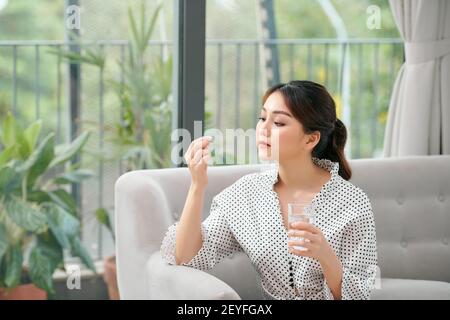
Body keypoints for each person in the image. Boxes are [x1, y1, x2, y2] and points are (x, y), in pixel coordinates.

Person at [160, 80, 378, 300]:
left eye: (279, 123)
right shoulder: (247, 194)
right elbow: (186, 256)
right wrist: (197, 185)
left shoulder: (352, 202)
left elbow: (361, 294)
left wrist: (326, 256)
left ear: (311, 139)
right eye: (262, 118)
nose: (263, 130)